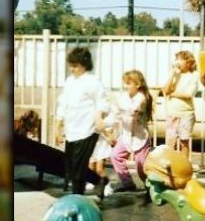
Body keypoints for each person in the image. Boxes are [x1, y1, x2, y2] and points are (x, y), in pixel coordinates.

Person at [55, 48, 109, 195]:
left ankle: (76, 200)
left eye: (76, 65)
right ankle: (99, 180)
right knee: (71, 169)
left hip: (87, 130)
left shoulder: (92, 81)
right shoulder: (69, 81)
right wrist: (58, 125)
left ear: (85, 64)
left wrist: (98, 117)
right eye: (71, 65)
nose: (72, 68)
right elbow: (63, 103)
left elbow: (102, 101)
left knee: (78, 171)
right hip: (72, 130)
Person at [105, 70, 153, 195]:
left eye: (129, 83)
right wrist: (110, 126)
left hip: (140, 137)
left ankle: (150, 186)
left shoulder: (141, 97)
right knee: (115, 156)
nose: (126, 86)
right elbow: (116, 114)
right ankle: (127, 183)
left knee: (141, 164)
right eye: (125, 83)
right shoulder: (124, 97)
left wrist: (117, 106)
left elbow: (133, 110)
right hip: (126, 135)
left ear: (137, 85)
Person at [161, 51, 199, 158]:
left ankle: (183, 167)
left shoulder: (194, 75)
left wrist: (172, 93)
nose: (178, 62)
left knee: (184, 142)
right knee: (170, 142)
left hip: (186, 113)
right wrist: (172, 74)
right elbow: (165, 90)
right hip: (172, 112)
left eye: (181, 59)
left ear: (188, 62)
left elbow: (188, 94)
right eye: (176, 59)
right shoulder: (175, 74)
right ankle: (170, 167)